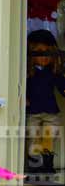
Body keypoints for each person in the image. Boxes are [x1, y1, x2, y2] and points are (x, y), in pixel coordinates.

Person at [26, 30, 65, 172]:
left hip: (51, 111)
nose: (44, 57)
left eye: (48, 53)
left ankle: (47, 164)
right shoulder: (29, 73)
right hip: (32, 111)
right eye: (39, 52)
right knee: (33, 137)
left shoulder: (52, 71)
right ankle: (34, 165)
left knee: (49, 137)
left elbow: (61, 84)